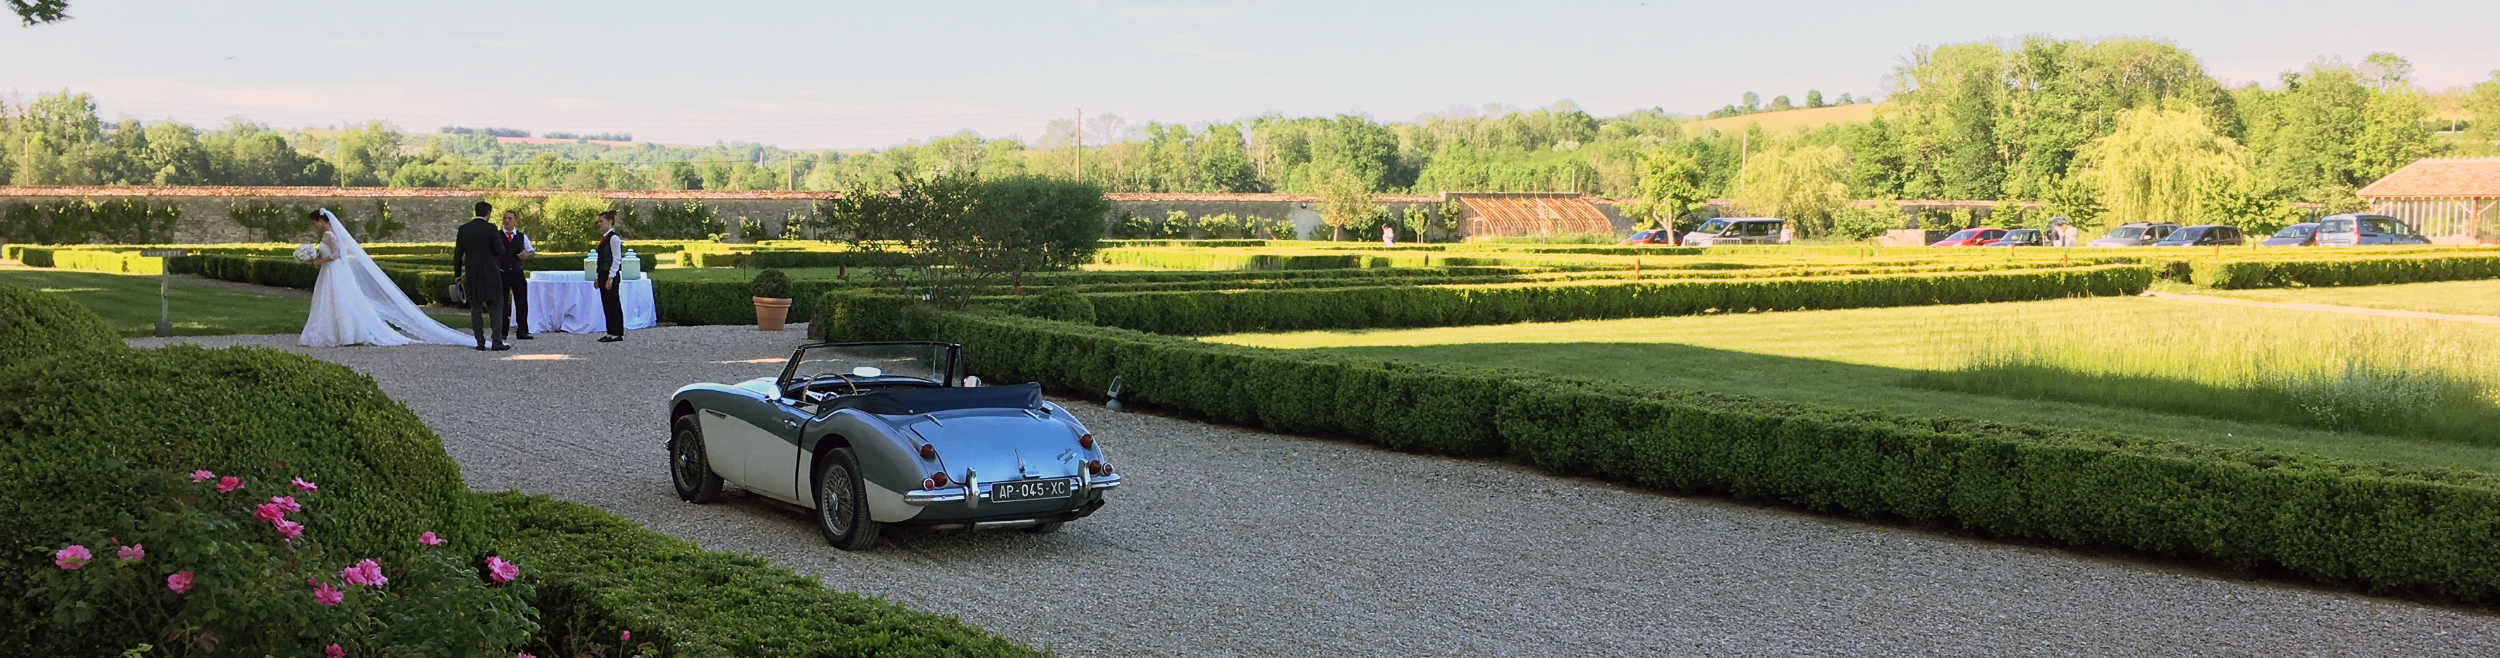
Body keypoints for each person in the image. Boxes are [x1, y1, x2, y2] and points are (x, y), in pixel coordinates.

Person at [300, 208, 475, 348]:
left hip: (333, 270)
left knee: (337, 300)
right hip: (333, 271)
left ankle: (342, 333)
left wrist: (318, 260)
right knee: (336, 300)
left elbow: (336, 254)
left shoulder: (329, 235)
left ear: (322, 221)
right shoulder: (332, 233)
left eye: (314, 222)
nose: (313, 225)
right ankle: (344, 333)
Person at [451, 201, 511, 351]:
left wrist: (457, 275)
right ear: (488, 213)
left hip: (472, 273)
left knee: (476, 308)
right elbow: (499, 250)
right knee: (496, 306)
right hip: (491, 273)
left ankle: (480, 341)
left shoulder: (464, 229)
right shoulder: (491, 229)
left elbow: (458, 255)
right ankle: (497, 341)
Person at [497, 210, 536, 339]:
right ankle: (502, 332)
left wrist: (526, 255)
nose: (507, 221)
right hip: (502, 274)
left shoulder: (522, 236)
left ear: (515, 221)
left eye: (510, 218)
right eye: (505, 218)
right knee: (501, 304)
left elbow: (532, 252)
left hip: (517, 273)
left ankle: (522, 331)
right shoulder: (497, 236)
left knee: (522, 302)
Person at [594, 210, 626, 343]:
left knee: (613, 303)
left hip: (610, 274)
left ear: (609, 221)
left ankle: (617, 332)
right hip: (603, 273)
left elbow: (616, 259)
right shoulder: (605, 238)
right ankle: (610, 331)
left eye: (601, 221)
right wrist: (598, 276)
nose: (599, 224)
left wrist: (611, 276)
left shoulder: (614, 238)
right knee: (606, 303)